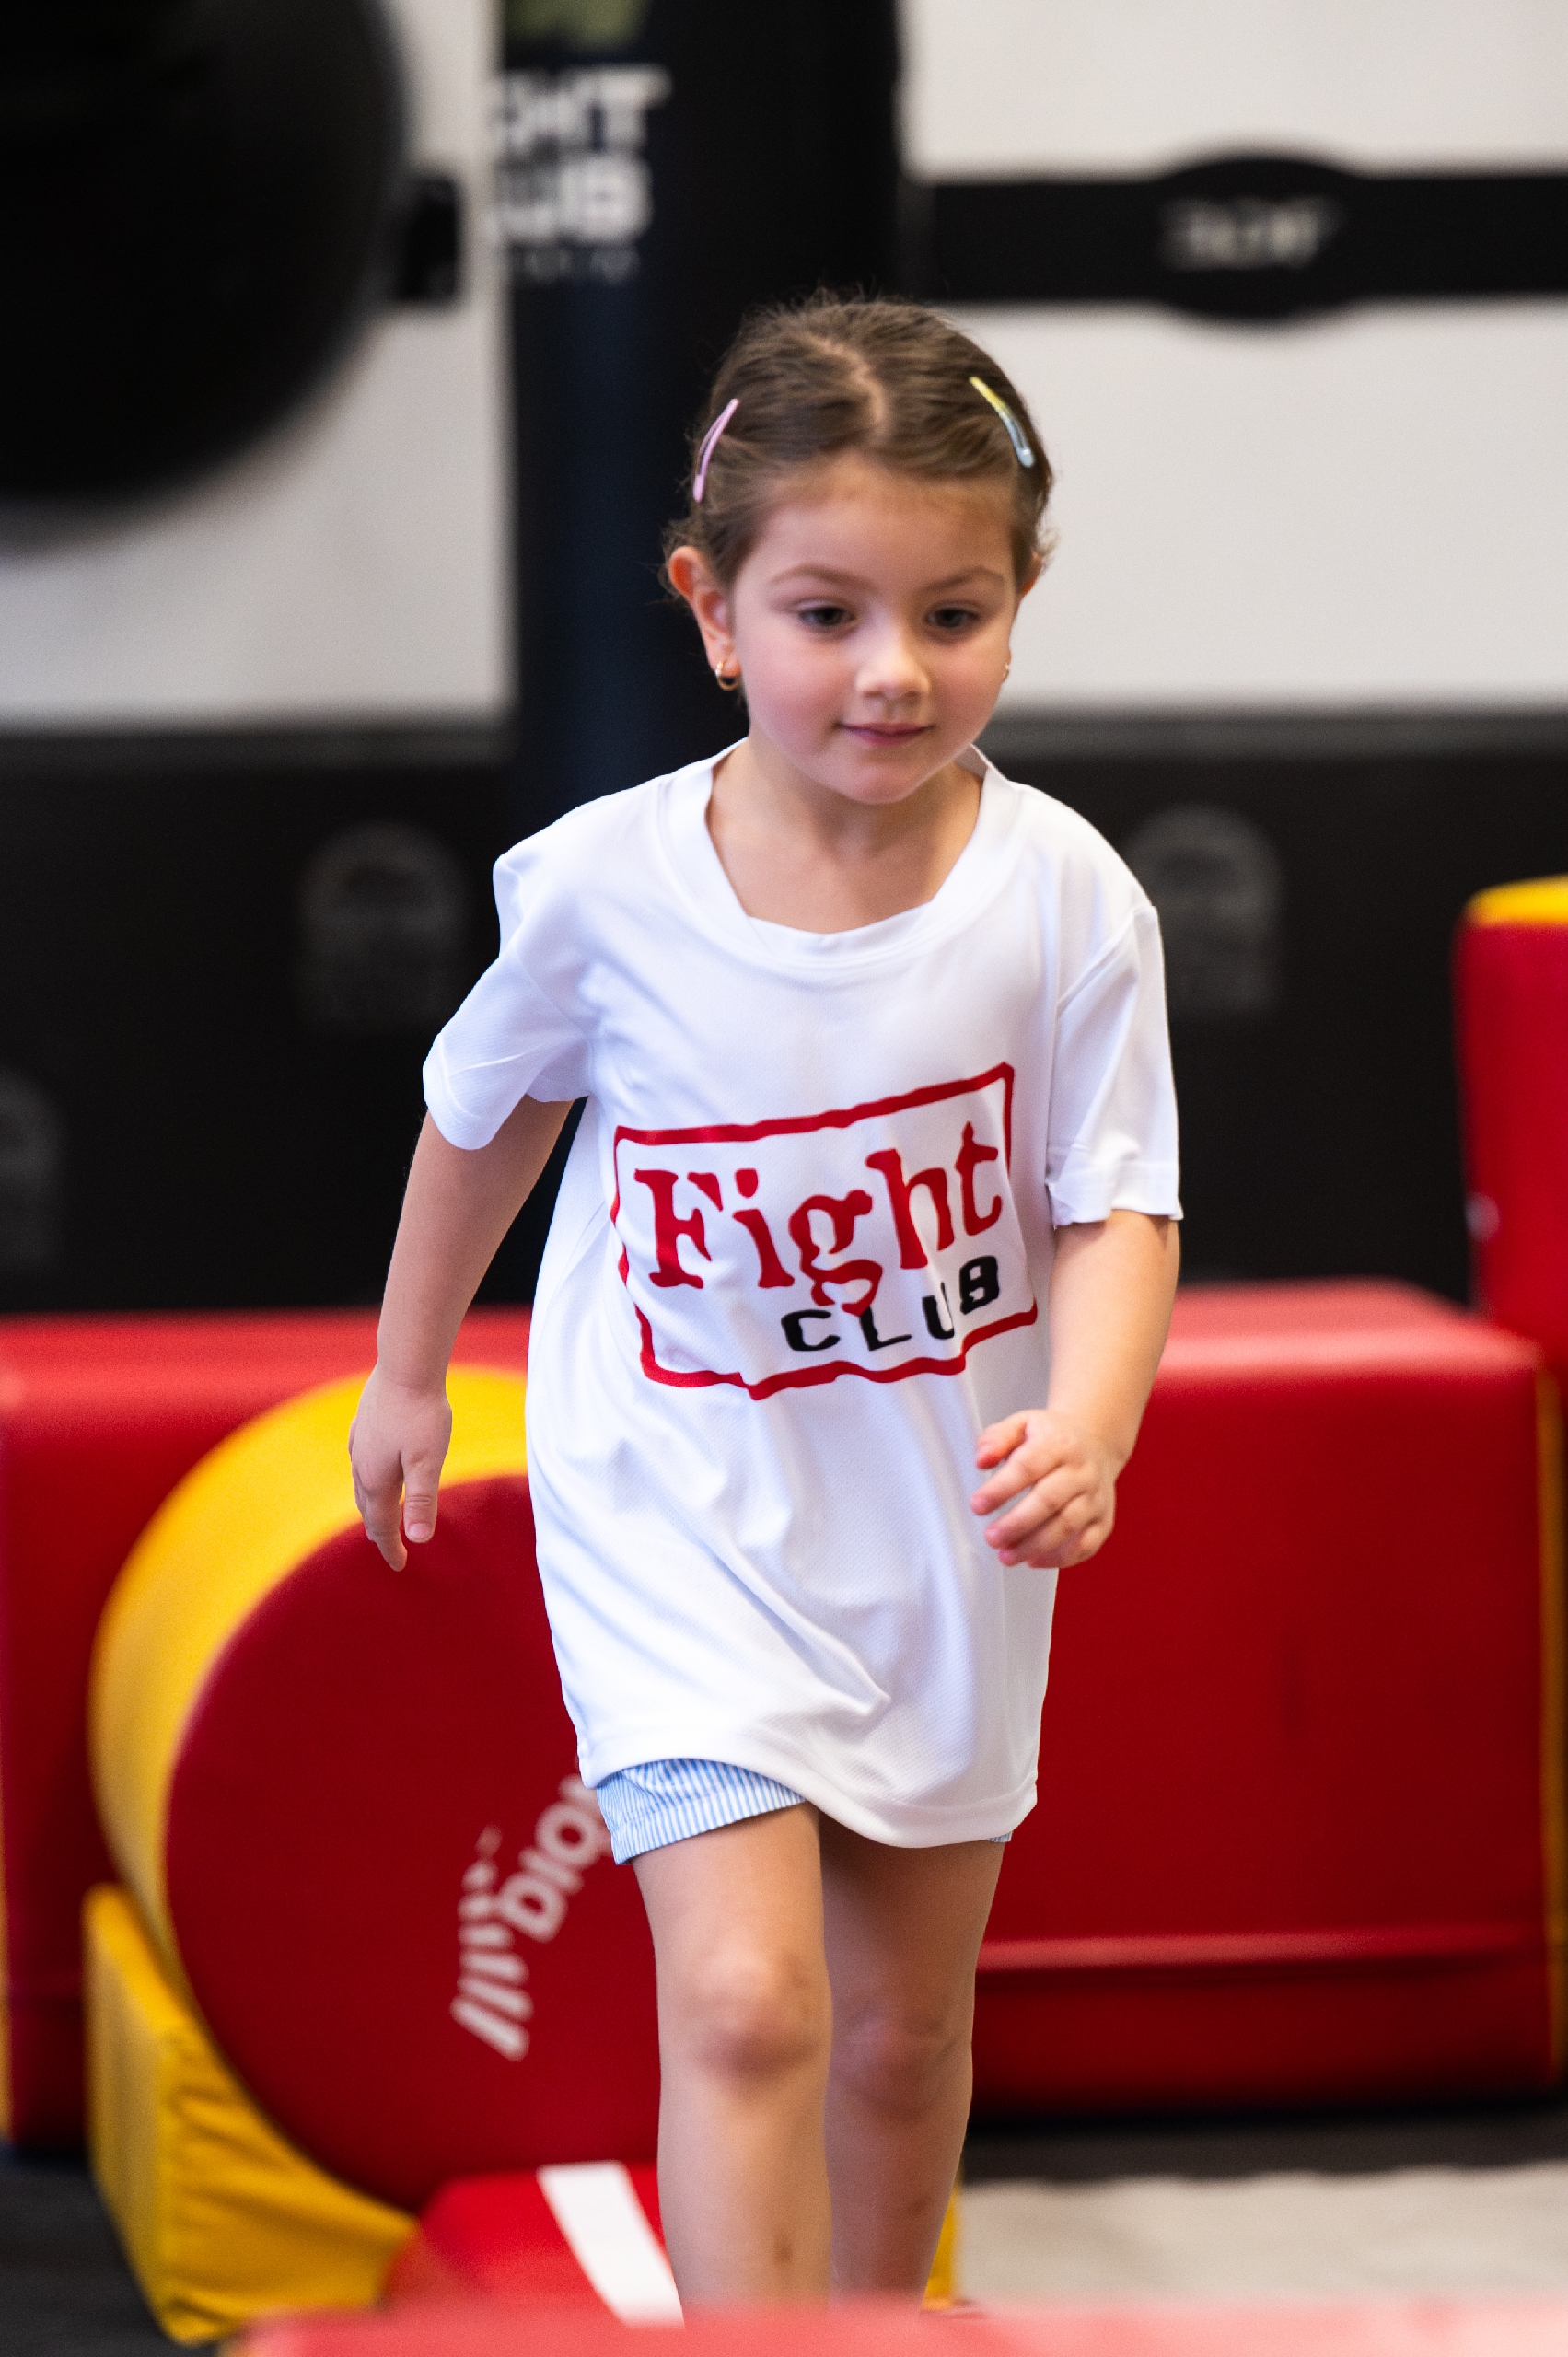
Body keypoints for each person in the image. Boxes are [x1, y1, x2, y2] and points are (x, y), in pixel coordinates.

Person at [349, 294, 1181, 2308]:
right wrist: (407, 1372)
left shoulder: (1066, 896)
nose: (894, 671)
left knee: (898, 2037)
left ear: (1021, 603)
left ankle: (871, 2331)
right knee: (745, 2005)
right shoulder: (607, 887)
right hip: (682, 1514)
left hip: (933, 1531)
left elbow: (1117, 1203)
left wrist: (1091, 1424)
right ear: (712, 611)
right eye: (827, 614)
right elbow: (487, 1113)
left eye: (954, 614)